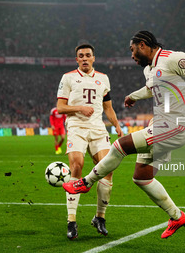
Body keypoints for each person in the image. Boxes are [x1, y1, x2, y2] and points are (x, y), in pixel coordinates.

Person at [63, 31, 185, 239]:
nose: (132, 56)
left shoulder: (175, 58)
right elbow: (152, 89)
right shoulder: (150, 70)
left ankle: (85, 182)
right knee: (141, 177)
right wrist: (133, 96)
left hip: (175, 127)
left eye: (133, 50)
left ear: (142, 45)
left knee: (119, 146)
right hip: (160, 125)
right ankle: (177, 216)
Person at [56, 43, 123, 240]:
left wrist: (117, 125)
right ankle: (71, 220)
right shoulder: (68, 78)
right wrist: (79, 108)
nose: (85, 58)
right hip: (76, 127)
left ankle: (99, 217)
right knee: (77, 165)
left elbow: (108, 107)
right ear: (76, 59)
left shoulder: (103, 78)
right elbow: (60, 107)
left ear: (94, 58)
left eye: (88, 55)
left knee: (108, 168)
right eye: (81, 56)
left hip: (98, 128)